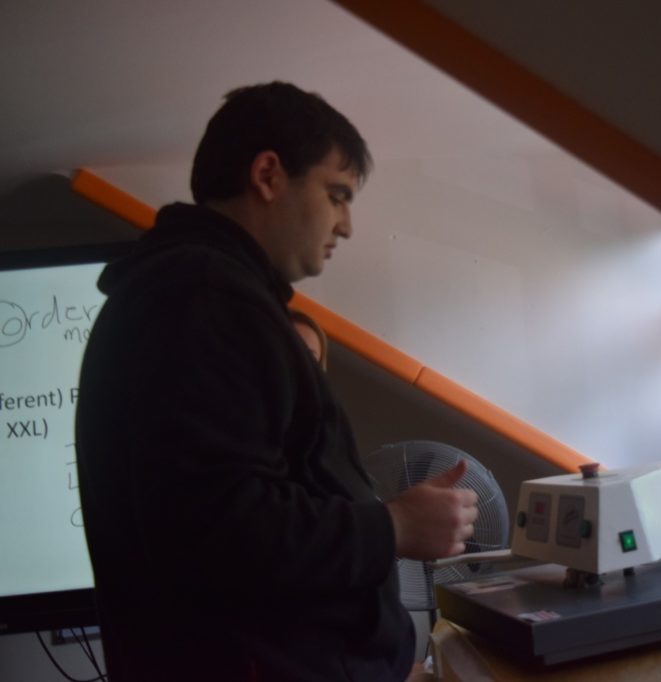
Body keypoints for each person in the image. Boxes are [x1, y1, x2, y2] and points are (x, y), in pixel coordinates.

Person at [75, 82, 478, 682]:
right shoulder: (204, 299)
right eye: (336, 194)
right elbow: (223, 526)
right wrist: (393, 526)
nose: (345, 225)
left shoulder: (190, 292)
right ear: (268, 174)